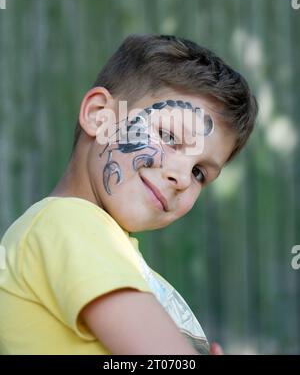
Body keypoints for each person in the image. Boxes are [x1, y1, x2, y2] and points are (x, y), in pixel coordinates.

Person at [0, 34, 258, 355]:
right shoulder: (70, 224)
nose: (180, 177)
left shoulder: (100, 244)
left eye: (199, 173)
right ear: (100, 116)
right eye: (167, 135)